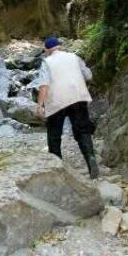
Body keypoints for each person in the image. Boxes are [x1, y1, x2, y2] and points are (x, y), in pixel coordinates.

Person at [34, 36, 99, 179]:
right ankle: (90, 159)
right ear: (59, 47)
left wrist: (40, 106)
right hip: (78, 98)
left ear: (46, 50)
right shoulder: (74, 57)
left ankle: (57, 170)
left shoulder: (47, 62)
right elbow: (88, 76)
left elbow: (44, 86)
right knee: (82, 131)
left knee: (54, 135)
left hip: (58, 101)